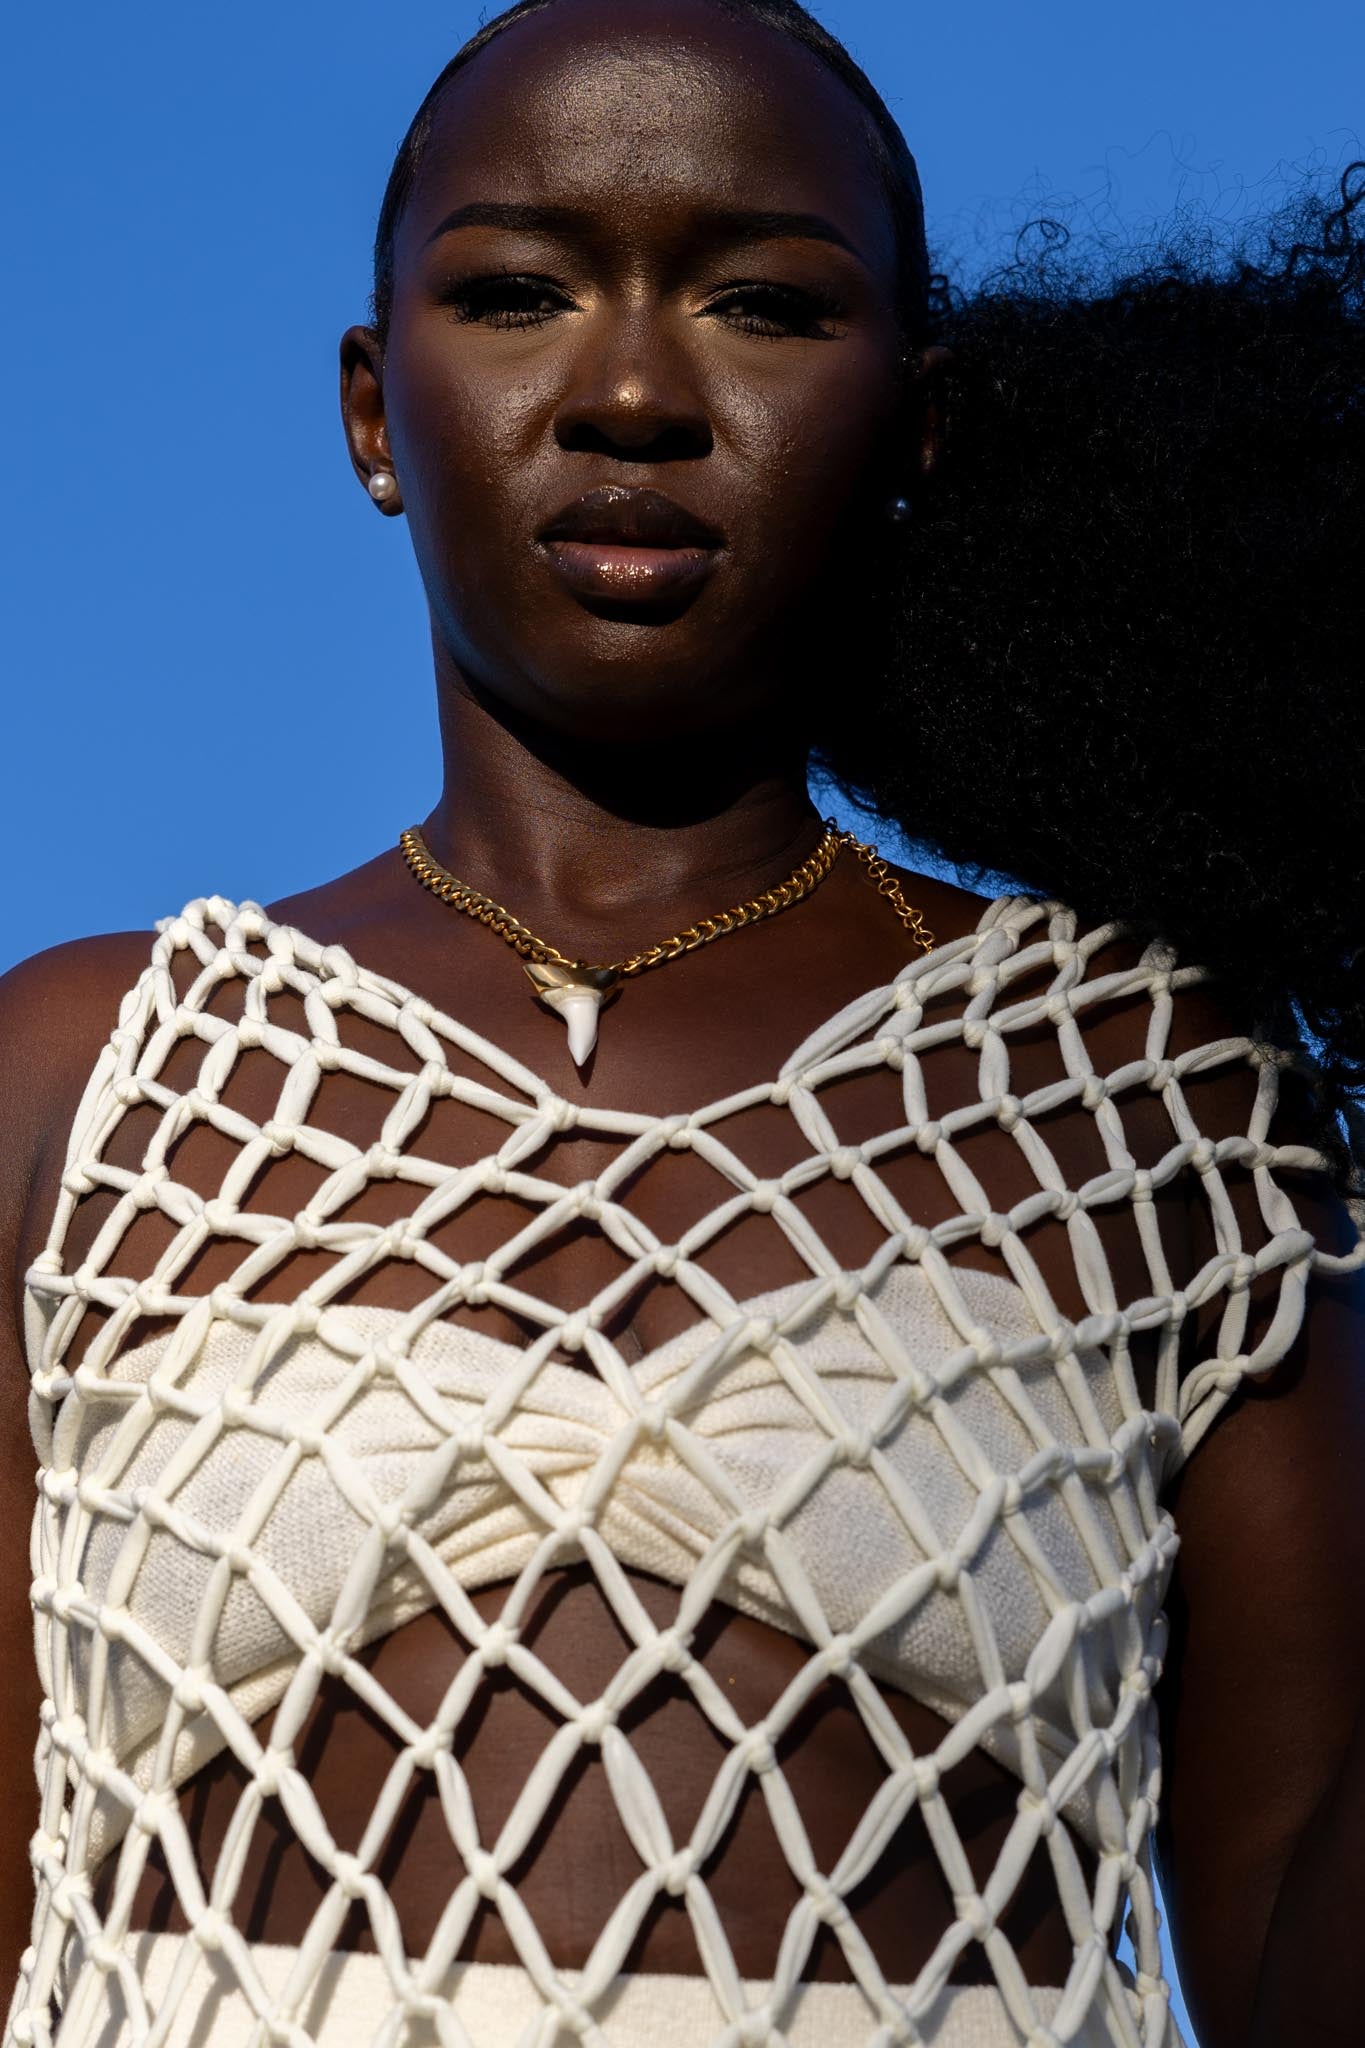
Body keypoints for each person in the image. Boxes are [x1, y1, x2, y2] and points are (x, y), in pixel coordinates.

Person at [2, 1, 1362, 2043]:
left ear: (916, 425)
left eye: (758, 304)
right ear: (376, 411)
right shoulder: (91, 1073)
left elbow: (1291, 1927)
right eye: (518, 291)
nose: (630, 390)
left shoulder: (1147, 1094)